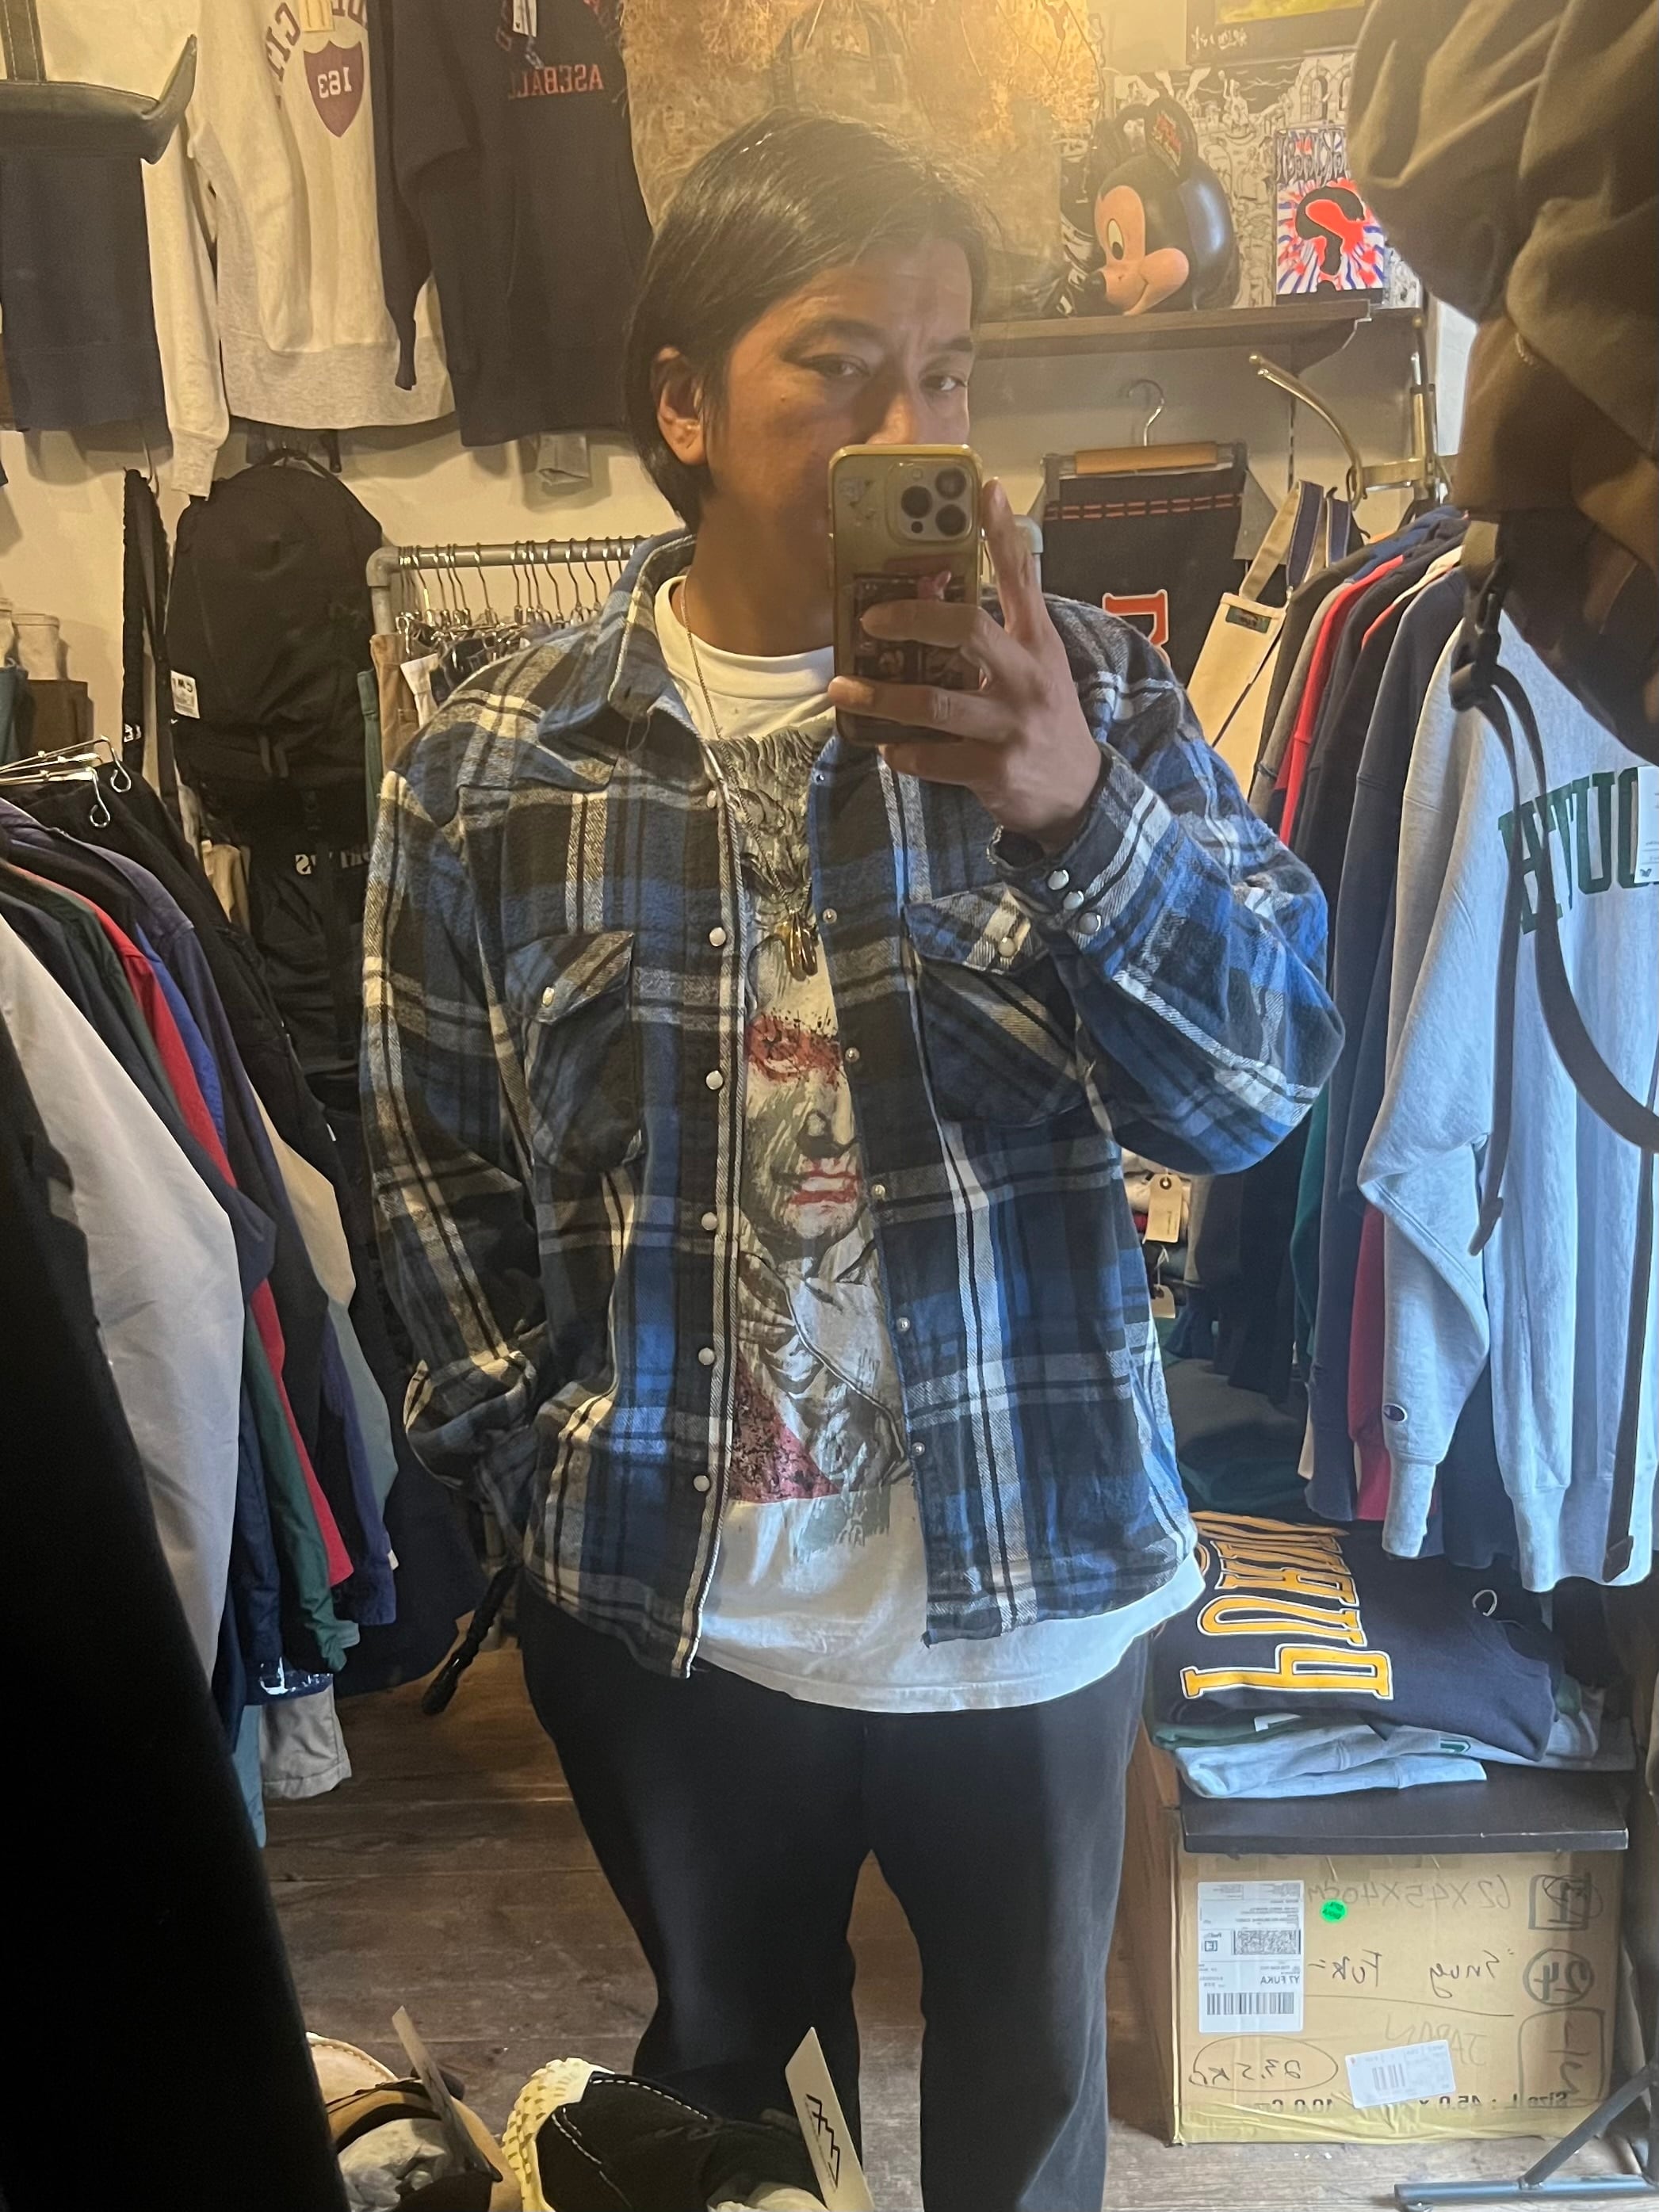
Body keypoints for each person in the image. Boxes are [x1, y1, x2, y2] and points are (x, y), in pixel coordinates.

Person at [363, 111, 1341, 2212]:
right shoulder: (490, 769)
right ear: (684, 404)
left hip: (1041, 1589)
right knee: (735, 2117)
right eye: (839, 367)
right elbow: (432, 1172)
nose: (917, 433)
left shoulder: (1101, 702)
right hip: (671, 1612)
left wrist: (1073, 815)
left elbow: (1258, 1095)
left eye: (950, 374)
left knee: (1028, 2116)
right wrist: (527, 1468)